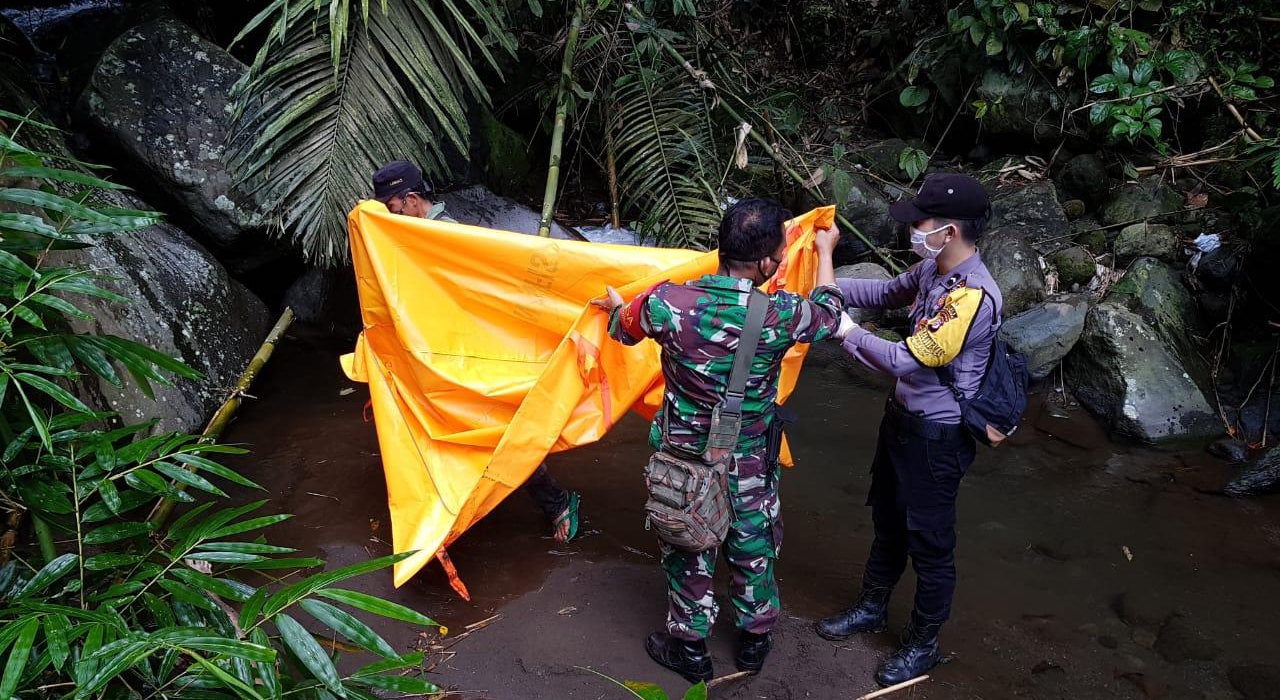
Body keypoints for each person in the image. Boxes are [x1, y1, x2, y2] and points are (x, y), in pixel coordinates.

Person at [594, 199, 846, 683]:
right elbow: (831, 313)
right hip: (750, 458)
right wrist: (826, 251)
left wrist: (617, 307)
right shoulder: (781, 313)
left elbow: (622, 331)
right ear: (767, 263)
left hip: (684, 460)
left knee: (689, 543)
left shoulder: (668, 303)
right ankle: (754, 642)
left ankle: (689, 650)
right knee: (753, 542)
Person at [815, 172, 1002, 686]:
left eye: (920, 222)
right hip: (901, 423)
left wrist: (845, 328)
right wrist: (823, 284)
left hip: (938, 438)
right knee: (889, 521)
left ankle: (923, 642)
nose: (913, 229)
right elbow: (882, 291)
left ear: (951, 230)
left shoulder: (972, 299)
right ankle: (871, 609)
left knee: (932, 544)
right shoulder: (931, 268)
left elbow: (905, 359)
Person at [370, 160, 583, 543]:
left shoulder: (448, 240)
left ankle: (558, 502)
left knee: (497, 436)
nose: (388, 217)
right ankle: (442, 519)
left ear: (411, 199)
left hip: (468, 361)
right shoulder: (412, 240)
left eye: (391, 208)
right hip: (436, 360)